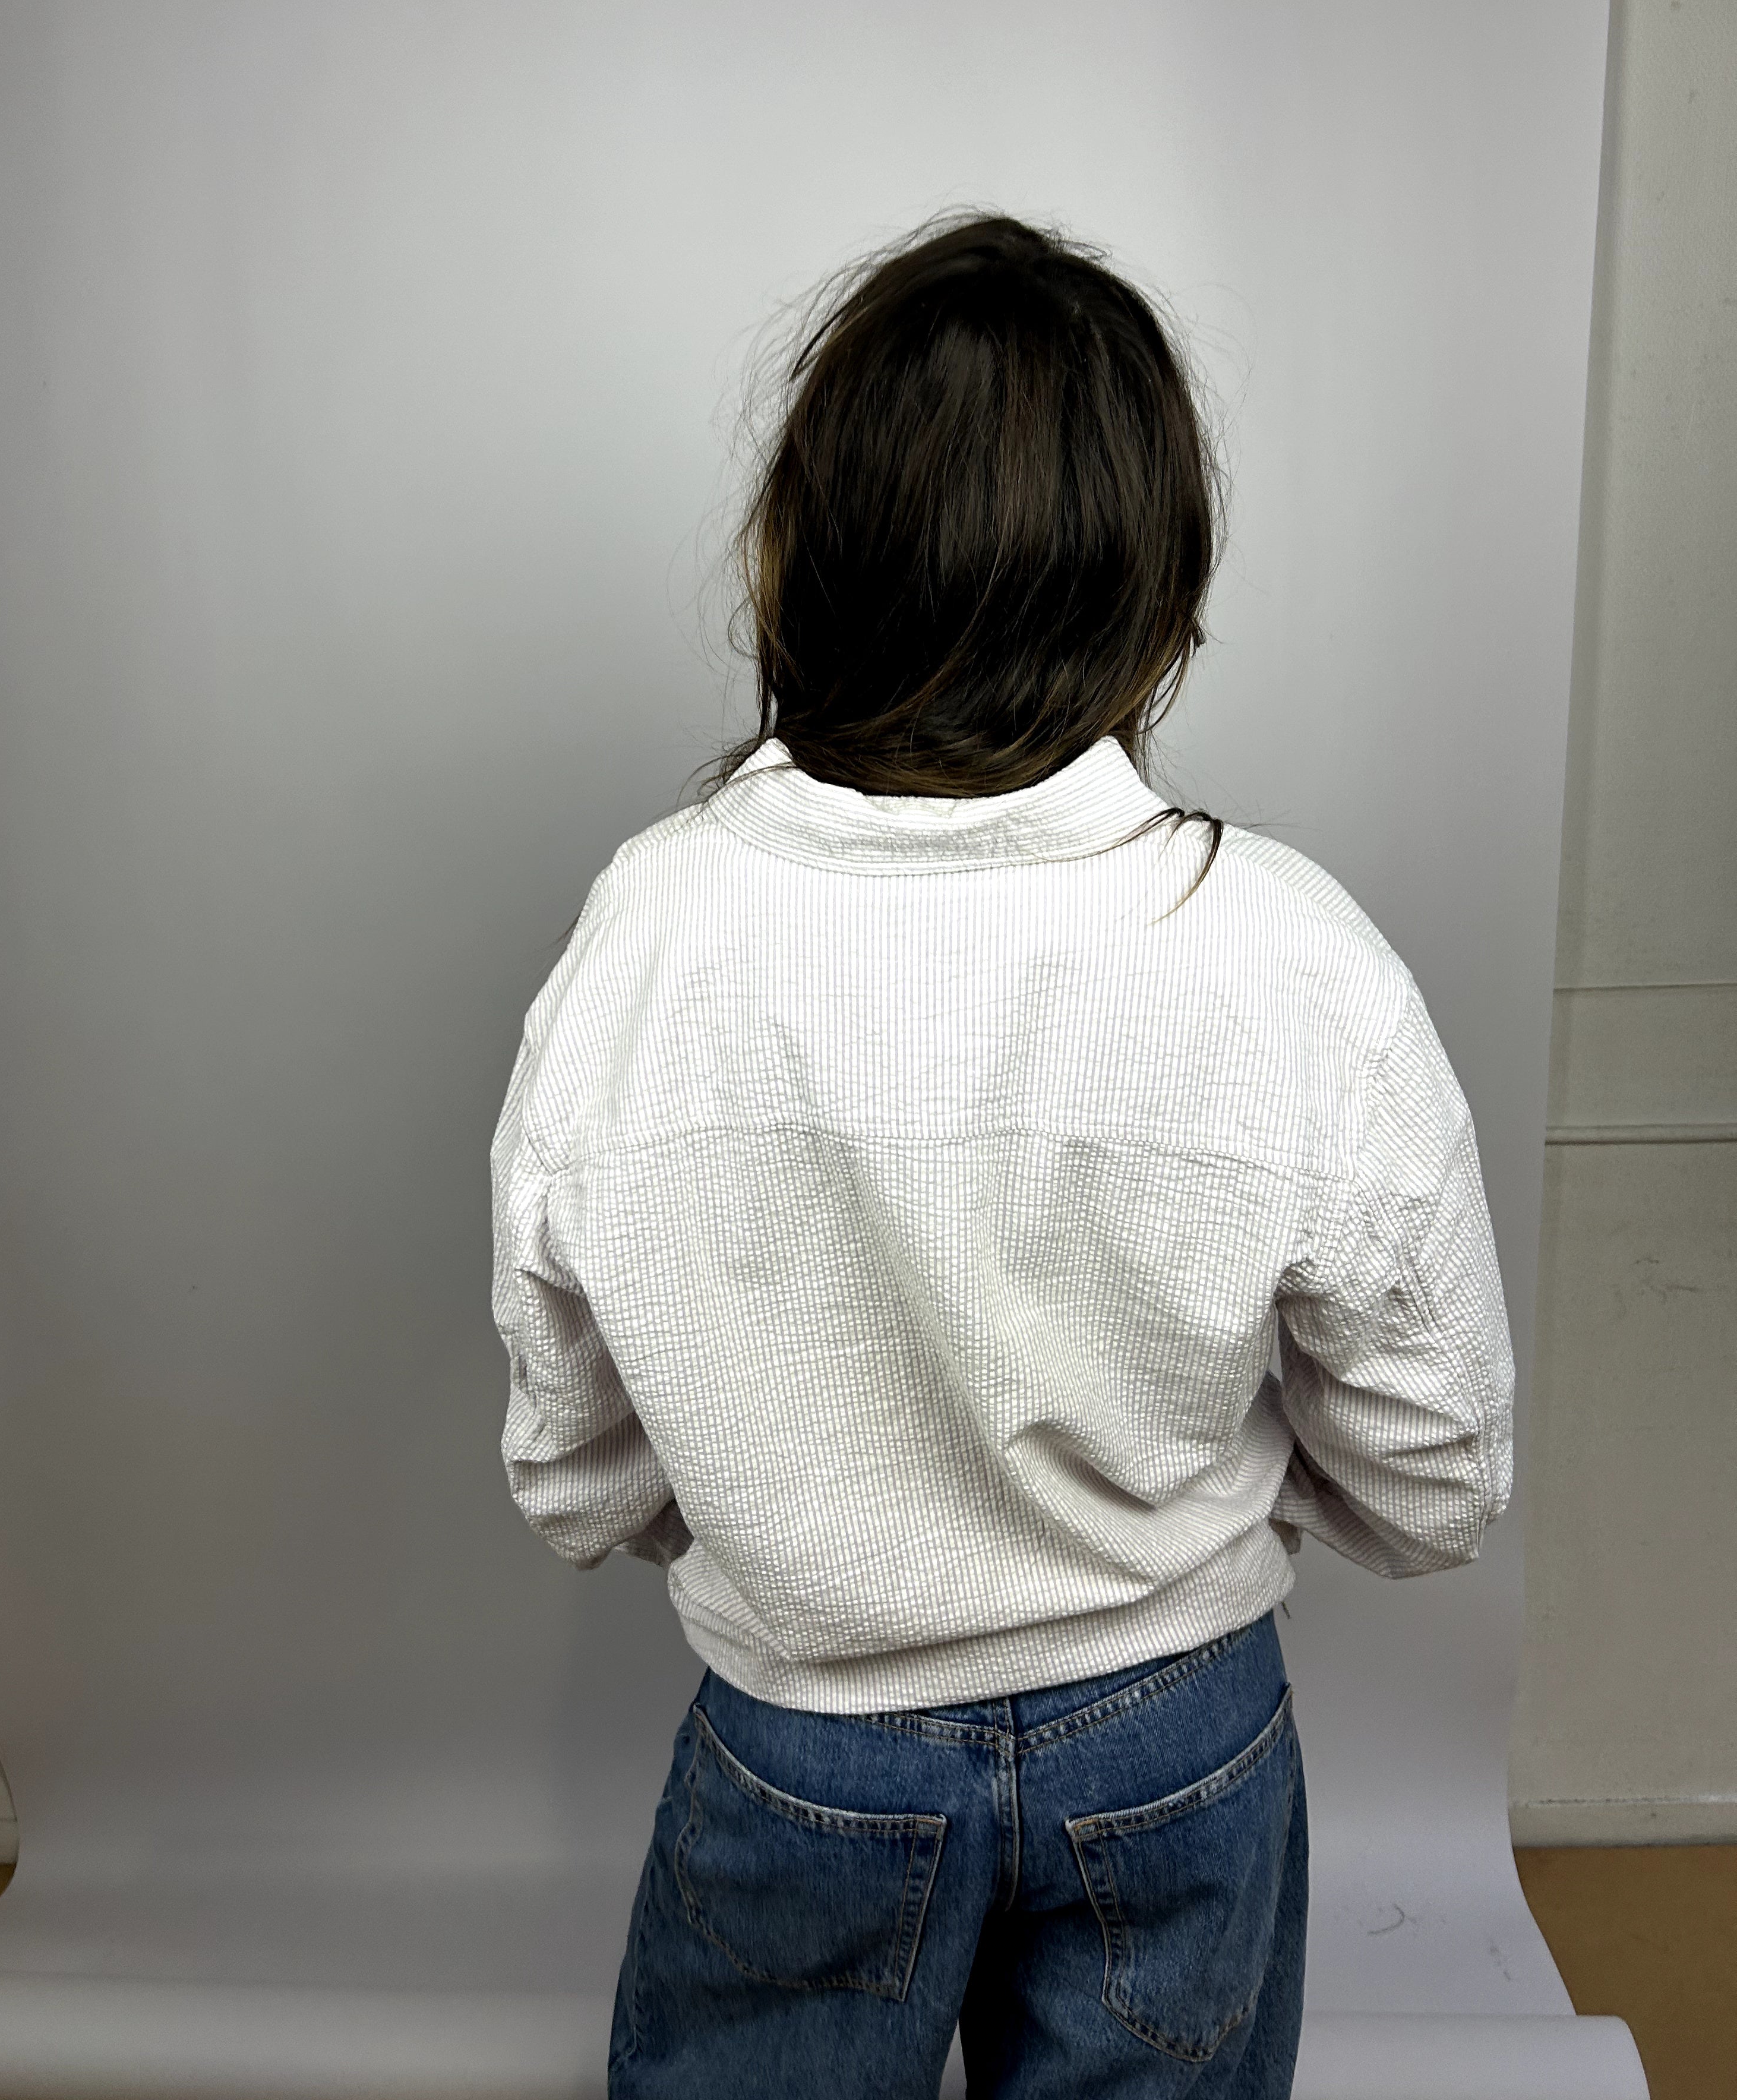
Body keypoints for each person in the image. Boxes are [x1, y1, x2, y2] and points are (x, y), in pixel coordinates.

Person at [488, 211, 1516, 2098]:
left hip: (806, 1739)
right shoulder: (1288, 954)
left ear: (799, 552)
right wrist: (1187, 1523)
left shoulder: (652, 931)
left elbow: (570, 1472)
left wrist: (793, 1521)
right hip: (1183, 1737)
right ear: (1160, 590)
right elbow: (1439, 1478)